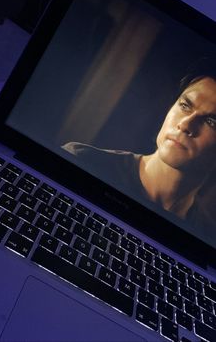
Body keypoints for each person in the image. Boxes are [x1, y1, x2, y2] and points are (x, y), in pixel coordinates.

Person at [62, 60, 216, 241]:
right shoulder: (81, 160)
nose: (185, 124)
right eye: (185, 105)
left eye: (212, 122)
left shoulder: (206, 236)